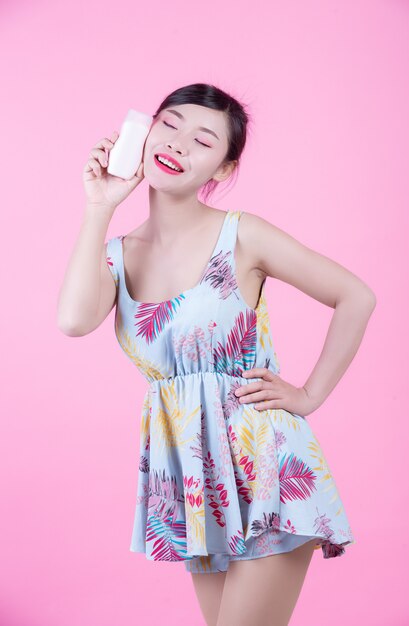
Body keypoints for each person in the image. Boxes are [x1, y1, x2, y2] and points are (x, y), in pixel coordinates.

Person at [57, 82, 376, 626]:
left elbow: (356, 296)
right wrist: (99, 207)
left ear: (222, 170)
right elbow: (73, 320)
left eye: (203, 140)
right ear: (145, 130)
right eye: (170, 124)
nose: (179, 144)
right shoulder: (115, 255)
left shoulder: (242, 235)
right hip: (195, 479)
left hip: (269, 466)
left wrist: (308, 394)